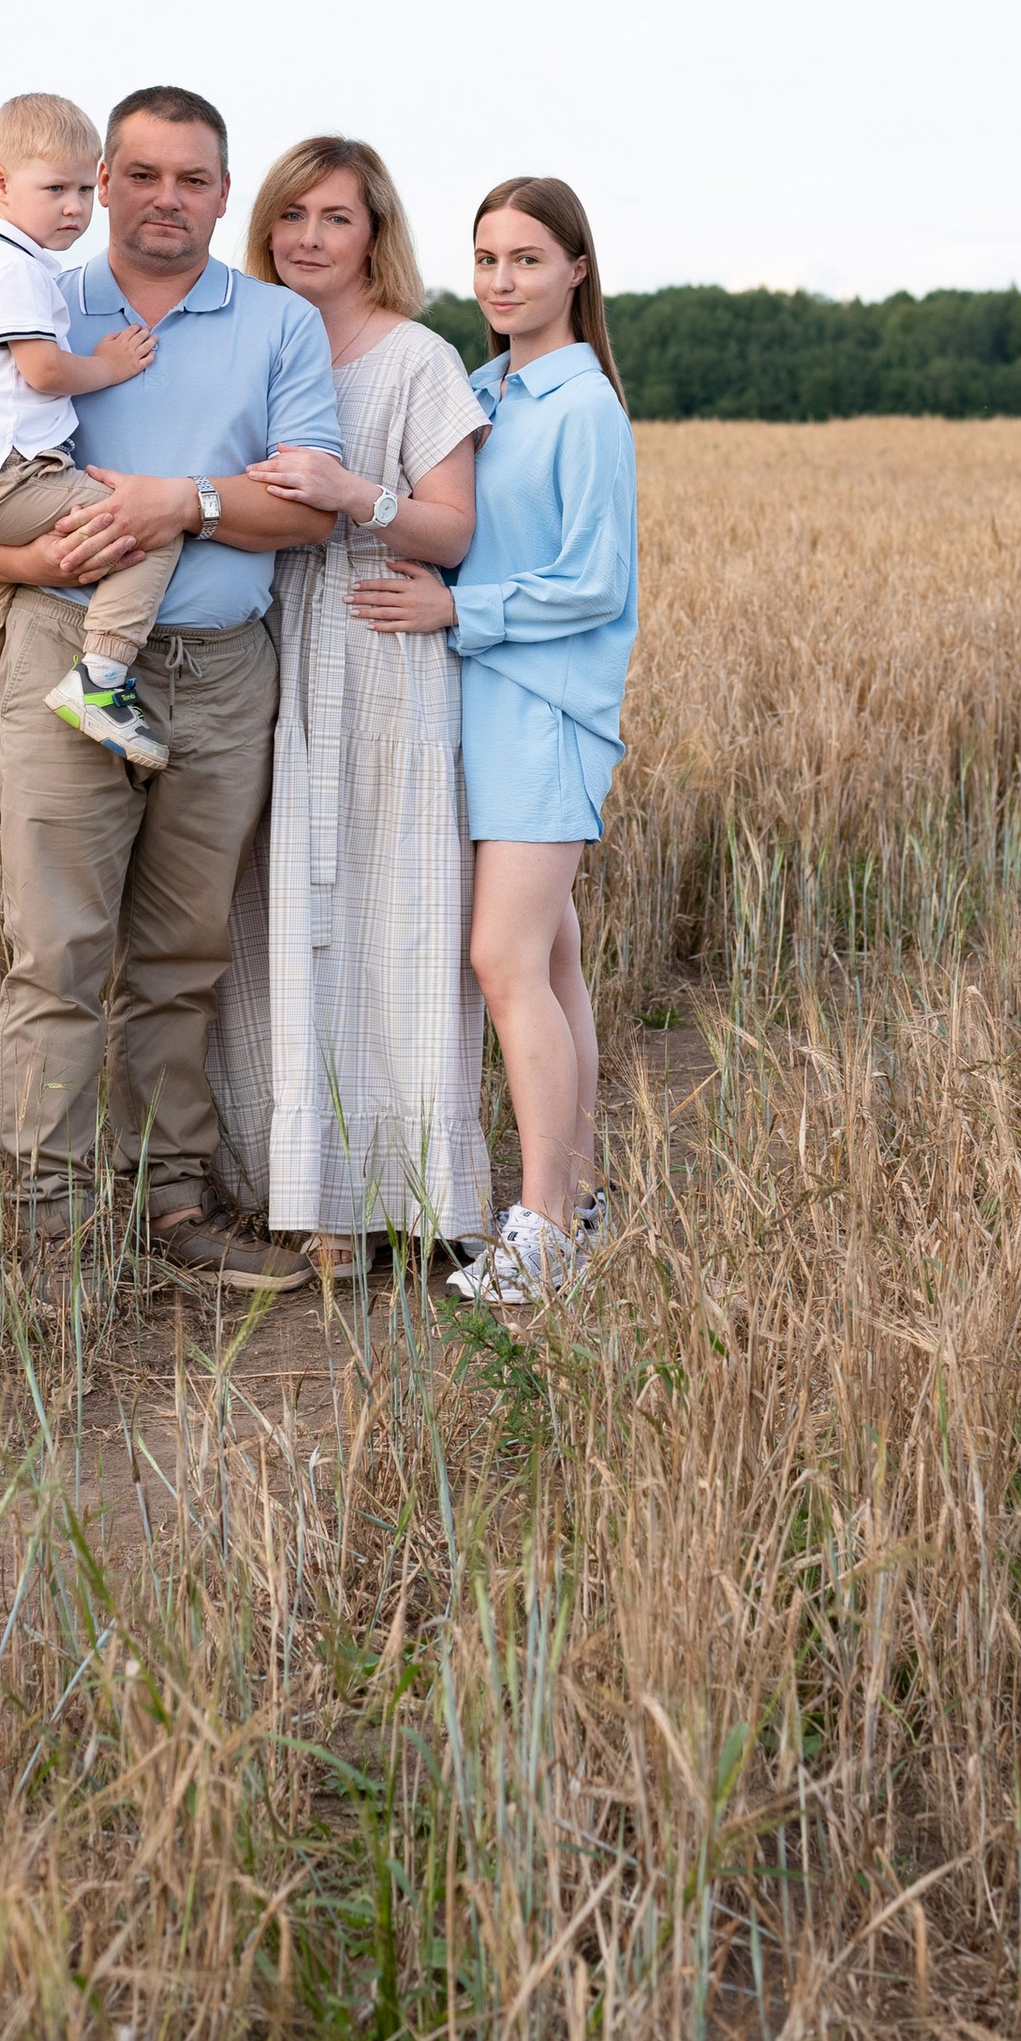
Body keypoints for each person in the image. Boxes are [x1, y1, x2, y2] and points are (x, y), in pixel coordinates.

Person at [0, 85, 343, 1296]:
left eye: (192, 179)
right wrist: (35, 563)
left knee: (182, 954)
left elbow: (308, 505)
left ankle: (176, 1203)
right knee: (58, 953)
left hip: (224, 674)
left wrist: (180, 502)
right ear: (101, 184)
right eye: (139, 174)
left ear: (224, 192)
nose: (163, 199)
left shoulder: (278, 324)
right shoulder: (27, 293)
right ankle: (50, 1234)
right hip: (62, 660)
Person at [351, 175, 638, 1310]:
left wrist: (456, 607)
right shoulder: (481, 392)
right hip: (480, 709)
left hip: (545, 716)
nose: (503, 280)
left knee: (503, 962)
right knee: (552, 963)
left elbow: (595, 582)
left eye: (527, 258)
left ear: (576, 269)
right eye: (486, 258)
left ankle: (544, 1224)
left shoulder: (583, 406)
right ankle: (583, 1198)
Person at [210, 138, 489, 1273]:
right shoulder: (250, 344)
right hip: (270, 651)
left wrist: (351, 493)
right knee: (274, 927)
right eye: (291, 215)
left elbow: (453, 529)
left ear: (375, 233)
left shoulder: (417, 357)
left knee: (393, 922)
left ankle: (411, 1196)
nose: (309, 237)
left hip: (382, 656)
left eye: (335, 217)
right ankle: (311, 1197)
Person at [0, 90, 176, 821]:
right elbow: (45, 371)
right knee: (142, 524)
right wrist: (110, 364)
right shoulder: (17, 271)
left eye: (85, 189)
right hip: (8, 476)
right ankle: (101, 678)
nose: (74, 207)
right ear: (0, 184)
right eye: (54, 189)